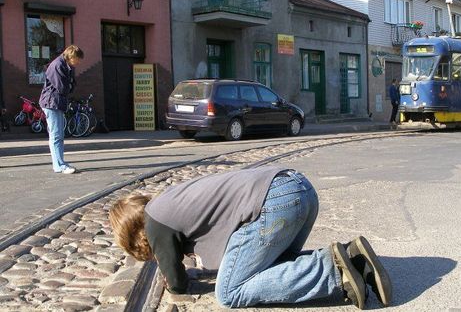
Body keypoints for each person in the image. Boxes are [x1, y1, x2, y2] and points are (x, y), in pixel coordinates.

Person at [109, 166, 392, 309]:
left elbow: (176, 281)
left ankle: (334, 270)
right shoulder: (168, 200)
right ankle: (353, 257)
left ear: (135, 237)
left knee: (229, 292)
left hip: (275, 202)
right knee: (269, 268)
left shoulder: (156, 222)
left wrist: (181, 281)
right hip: (300, 189)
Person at [39, 45, 84, 174]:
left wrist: (69, 84)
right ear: (71, 56)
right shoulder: (58, 66)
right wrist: (69, 85)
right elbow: (63, 88)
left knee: (58, 134)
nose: (78, 62)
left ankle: (60, 162)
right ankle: (59, 165)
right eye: (78, 59)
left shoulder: (66, 66)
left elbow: (71, 85)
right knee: (56, 135)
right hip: (51, 102)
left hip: (56, 102)